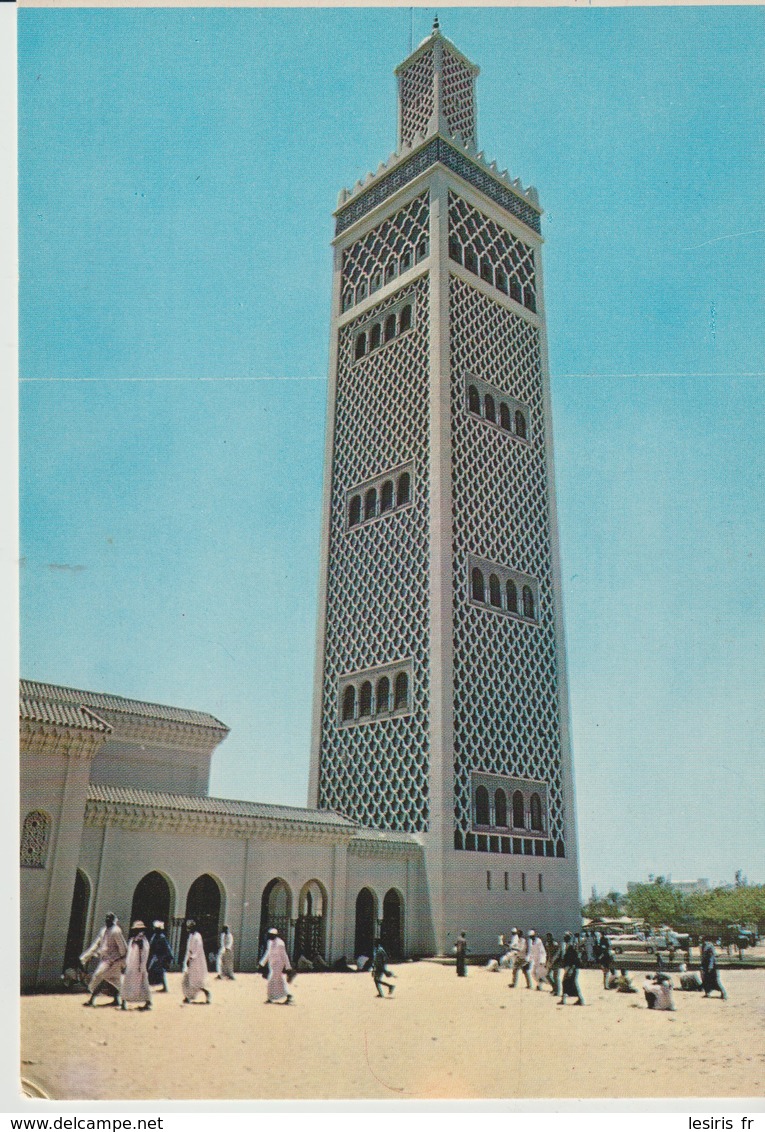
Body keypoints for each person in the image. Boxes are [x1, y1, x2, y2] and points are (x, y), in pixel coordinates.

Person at [83, 913, 127, 1007]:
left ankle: (92, 1000)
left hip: (113, 961)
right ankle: (120, 1001)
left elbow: (123, 947)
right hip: (106, 960)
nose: (107, 920)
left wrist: (120, 960)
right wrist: (85, 957)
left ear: (113, 920)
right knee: (113, 981)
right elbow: (96, 944)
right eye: (106, 918)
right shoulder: (103, 930)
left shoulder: (116, 931)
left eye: (109, 918)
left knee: (99, 977)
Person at [121, 921, 152, 1011]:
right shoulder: (133, 940)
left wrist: (141, 966)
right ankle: (123, 1001)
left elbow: (144, 954)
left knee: (143, 984)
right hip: (131, 966)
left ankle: (147, 1001)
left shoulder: (142, 941)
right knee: (127, 983)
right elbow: (130, 953)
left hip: (138, 967)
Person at [260, 927, 293, 1004]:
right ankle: (288, 995)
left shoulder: (280, 943)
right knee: (280, 981)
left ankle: (270, 998)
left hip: (278, 965)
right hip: (272, 965)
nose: (269, 936)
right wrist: (262, 963)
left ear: (275, 935)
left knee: (271, 980)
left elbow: (284, 955)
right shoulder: (269, 942)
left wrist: (288, 967)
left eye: (271, 935)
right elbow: (268, 953)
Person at [182, 919, 211, 1005]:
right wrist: (186, 959)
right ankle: (188, 997)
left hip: (196, 962)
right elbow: (188, 949)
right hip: (190, 961)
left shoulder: (197, 936)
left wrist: (191, 958)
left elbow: (197, 949)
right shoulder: (191, 936)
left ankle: (207, 994)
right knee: (187, 980)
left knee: (197, 981)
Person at [559, 931, 585, 1006]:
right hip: (569, 968)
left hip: (572, 968)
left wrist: (571, 968)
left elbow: (575, 959)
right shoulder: (567, 946)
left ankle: (580, 1000)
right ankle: (563, 999)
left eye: (567, 936)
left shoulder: (572, 947)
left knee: (571, 983)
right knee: (565, 983)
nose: (565, 938)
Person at [148, 920, 174, 992]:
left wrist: (166, 959)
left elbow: (167, 949)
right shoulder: (155, 936)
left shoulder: (161, 938)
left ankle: (163, 987)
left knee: (158, 971)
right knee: (157, 971)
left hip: (162, 957)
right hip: (158, 957)